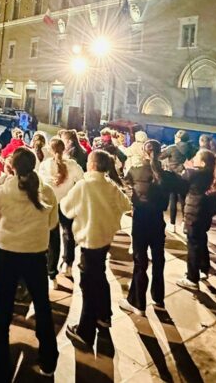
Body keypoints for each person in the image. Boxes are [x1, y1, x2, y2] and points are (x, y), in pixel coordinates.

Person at [0, 147, 59, 379]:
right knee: (42, 304)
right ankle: (49, 360)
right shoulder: (46, 192)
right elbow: (52, 223)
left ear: (13, 167)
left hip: (7, 253)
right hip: (35, 254)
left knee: (2, 309)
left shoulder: (3, 190)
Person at [60, 150, 132, 349]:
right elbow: (126, 205)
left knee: (88, 285)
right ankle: (104, 317)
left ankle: (85, 331)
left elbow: (66, 208)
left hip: (89, 240)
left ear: (91, 164)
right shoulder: (110, 185)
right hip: (105, 239)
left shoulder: (84, 185)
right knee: (99, 278)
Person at [120, 140, 179, 315]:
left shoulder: (136, 170)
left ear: (145, 153)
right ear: (160, 153)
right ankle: (158, 298)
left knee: (140, 261)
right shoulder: (168, 176)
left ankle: (138, 302)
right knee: (158, 259)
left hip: (140, 219)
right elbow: (181, 187)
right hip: (157, 220)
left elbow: (126, 184)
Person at [38, 136, 84, 287]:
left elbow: (41, 185)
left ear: (51, 150)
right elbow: (82, 181)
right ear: (64, 149)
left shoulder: (45, 166)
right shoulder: (72, 165)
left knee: (52, 239)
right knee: (68, 233)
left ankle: (51, 275)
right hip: (67, 203)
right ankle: (67, 265)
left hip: (50, 205)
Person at [178, 149, 216, 290]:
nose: (193, 158)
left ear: (202, 162)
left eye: (196, 156)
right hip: (204, 213)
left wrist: (186, 169)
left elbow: (180, 185)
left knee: (193, 244)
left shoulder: (193, 173)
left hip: (194, 211)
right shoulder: (211, 174)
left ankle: (192, 278)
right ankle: (203, 268)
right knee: (201, 240)